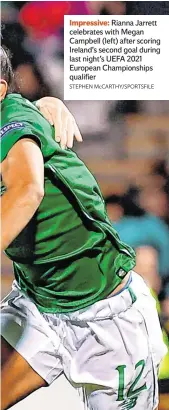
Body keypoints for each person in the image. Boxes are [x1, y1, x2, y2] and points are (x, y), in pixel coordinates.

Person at [0, 46, 166, 410]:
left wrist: (39, 106)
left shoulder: (10, 125)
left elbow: (28, 189)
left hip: (108, 318)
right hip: (38, 305)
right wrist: (45, 102)